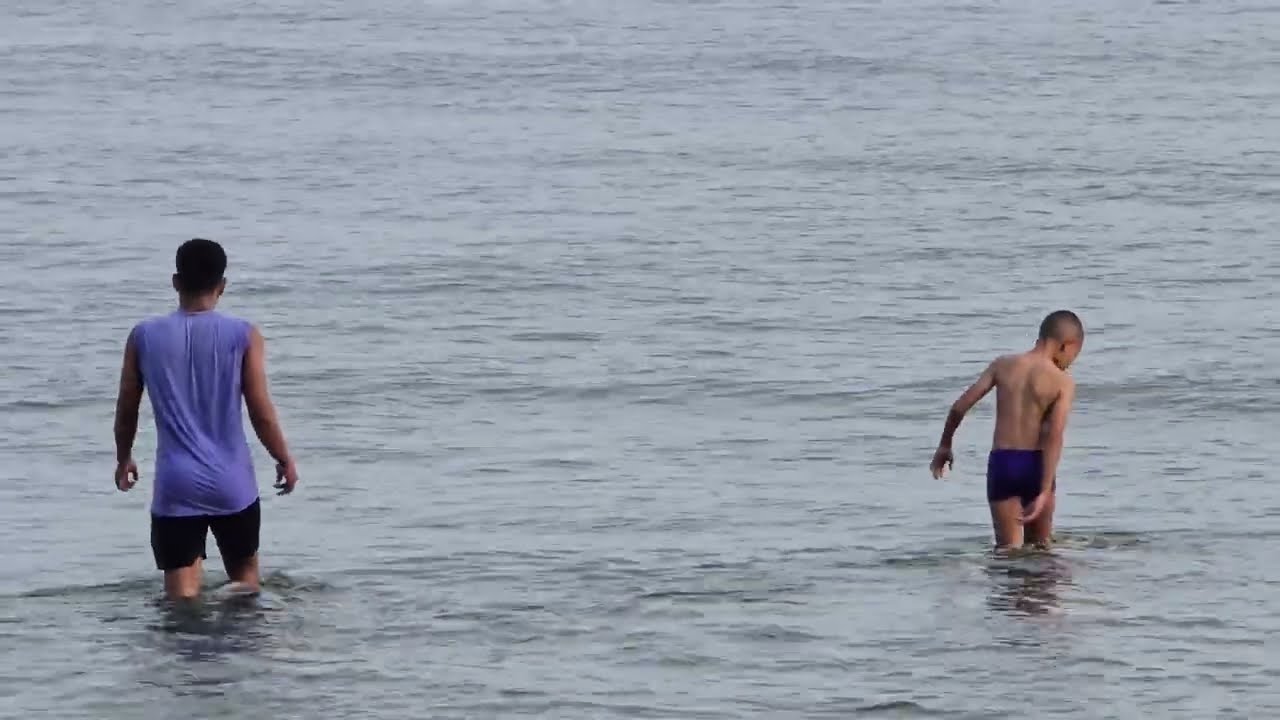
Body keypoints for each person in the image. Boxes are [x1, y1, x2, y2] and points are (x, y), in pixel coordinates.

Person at [112, 238, 299, 600]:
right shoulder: (244, 334)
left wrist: (123, 458)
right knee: (245, 585)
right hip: (233, 482)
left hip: (175, 484)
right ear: (222, 286)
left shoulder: (143, 336)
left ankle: (182, 655)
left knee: (181, 601)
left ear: (175, 281)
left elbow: (126, 408)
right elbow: (260, 410)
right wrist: (283, 458)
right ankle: (245, 655)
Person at [929, 310, 1084, 549]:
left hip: (1002, 465)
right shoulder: (1062, 382)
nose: (1070, 363)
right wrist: (1043, 491)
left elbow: (960, 407)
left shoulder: (1002, 365)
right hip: (1037, 466)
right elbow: (1055, 435)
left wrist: (945, 445)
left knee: (1007, 552)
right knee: (1041, 551)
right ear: (1066, 345)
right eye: (1074, 355)